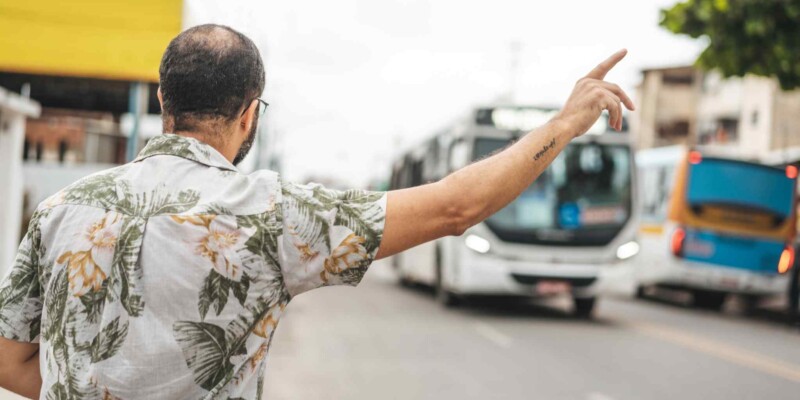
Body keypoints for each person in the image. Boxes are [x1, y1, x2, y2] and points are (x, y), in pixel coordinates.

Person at [0, 24, 633, 399]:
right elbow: (458, 206)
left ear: (164, 99)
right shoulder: (272, 214)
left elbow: (10, 361)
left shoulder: (61, 209)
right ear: (250, 113)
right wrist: (565, 122)